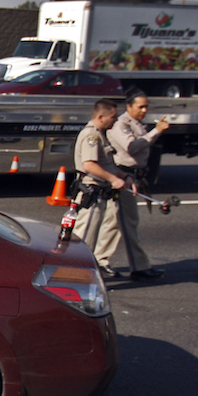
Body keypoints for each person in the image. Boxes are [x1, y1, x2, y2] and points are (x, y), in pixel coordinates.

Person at [108, 89, 169, 280]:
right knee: (129, 223)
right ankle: (139, 266)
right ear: (129, 106)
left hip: (132, 177)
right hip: (123, 177)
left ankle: (99, 260)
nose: (144, 110)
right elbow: (132, 147)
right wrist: (156, 131)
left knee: (112, 223)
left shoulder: (137, 124)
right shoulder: (122, 125)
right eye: (140, 106)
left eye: (146, 106)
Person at [72, 99, 132, 280]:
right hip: (92, 193)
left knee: (91, 235)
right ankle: (74, 275)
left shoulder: (101, 134)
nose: (115, 120)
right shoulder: (92, 136)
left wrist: (123, 176)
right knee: (83, 239)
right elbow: (89, 165)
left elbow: (107, 163)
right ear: (101, 117)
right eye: (113, 117)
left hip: (100, 193)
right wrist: (113, 179)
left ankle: (85, 272)